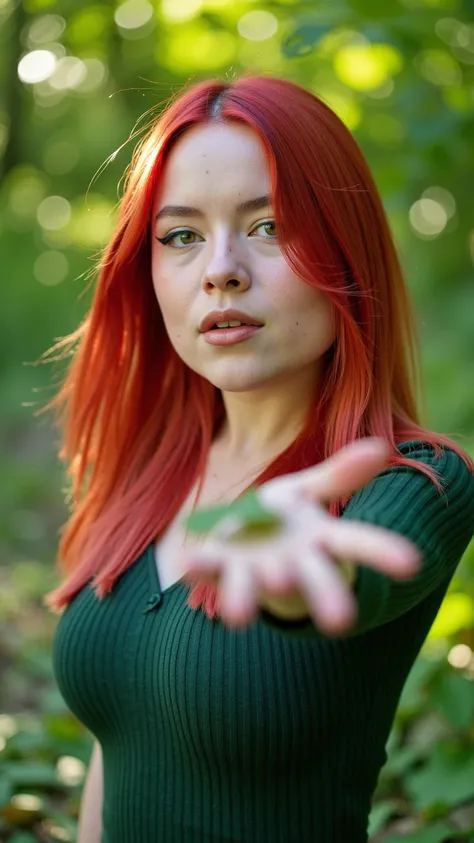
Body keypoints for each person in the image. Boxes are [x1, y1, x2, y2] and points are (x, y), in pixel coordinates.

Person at [45, 74, 474, 843]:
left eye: (270, 225)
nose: (221, 268)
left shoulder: (420, 480)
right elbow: (116, 755)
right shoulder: (148, 472)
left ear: (346, 250)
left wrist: (285, 572)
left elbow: (350, 577)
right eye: (180, 235)